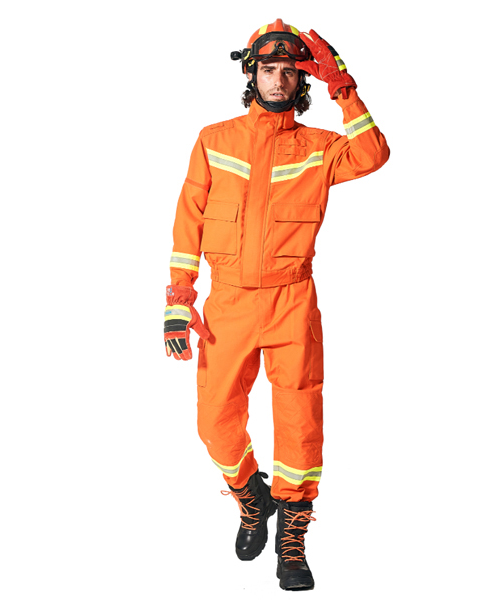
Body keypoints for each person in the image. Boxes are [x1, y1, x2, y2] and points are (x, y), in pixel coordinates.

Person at [164, 19, 389, 591]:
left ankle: (293, 535)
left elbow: (374, 153)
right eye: (269, 69)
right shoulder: (214, 140)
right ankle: (251, 497)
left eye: (290, 71)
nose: (280, 79)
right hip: (228, 303)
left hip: (293, 300)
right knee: (214, 421)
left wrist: (343, 87)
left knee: (299, 419)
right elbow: (189, 219)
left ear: (302, 80)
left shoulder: (321, 148)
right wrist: (179, 297)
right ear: (252, 74)